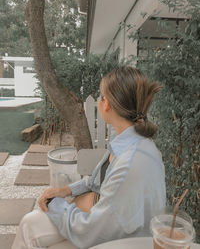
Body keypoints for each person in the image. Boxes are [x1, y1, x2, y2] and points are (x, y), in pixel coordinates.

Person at [12, 66, 166, 249]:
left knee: (31, 227)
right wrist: (66, 190)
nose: (100, 101)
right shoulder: (130, 143)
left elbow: (93, 231)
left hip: (116, 241)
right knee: (30, 223)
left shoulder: (129, 163)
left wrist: (56, 205)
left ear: (106, 104)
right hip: (104, 224)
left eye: (101, 96)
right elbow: (97, 180)